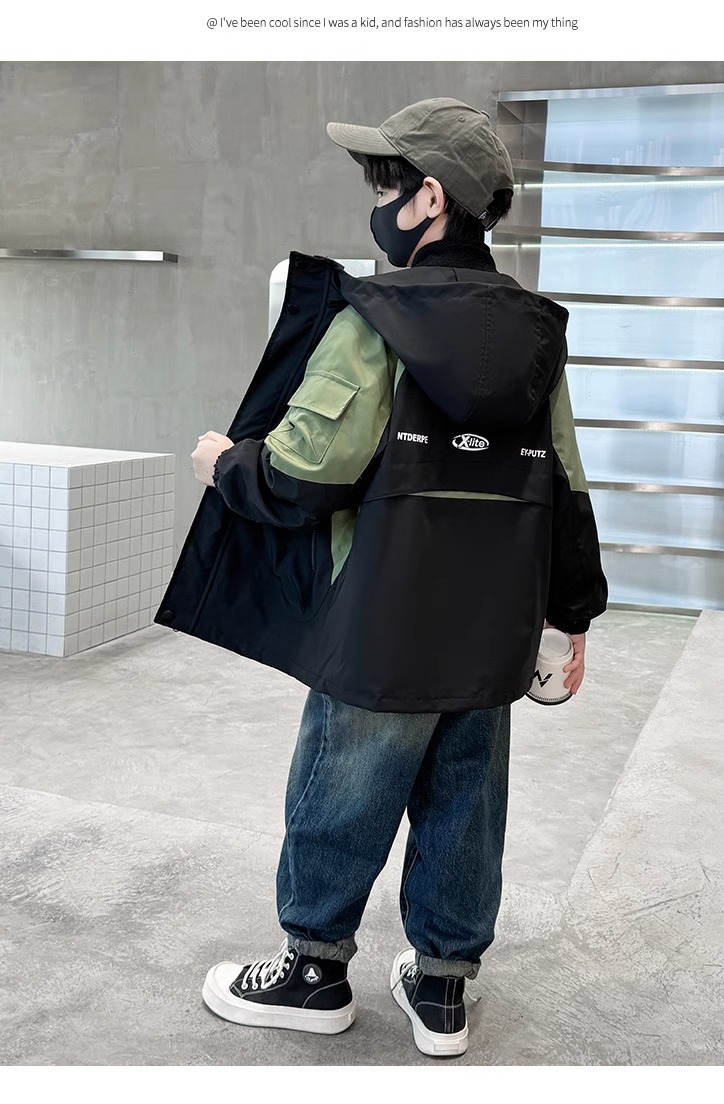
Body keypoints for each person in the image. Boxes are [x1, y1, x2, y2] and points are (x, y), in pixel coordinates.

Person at [190, 97, 608, 1058]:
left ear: (430, 199)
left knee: (343, 784)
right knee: (467, 796)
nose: (376, 204)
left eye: (385, 186)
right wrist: (571, 615)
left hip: (387, 616)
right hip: (496, 624)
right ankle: (444, 989)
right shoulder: (537, 334)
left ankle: (312, 973)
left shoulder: (373, 317)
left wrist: (226, 463)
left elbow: (306, 474)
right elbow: (567, 483)